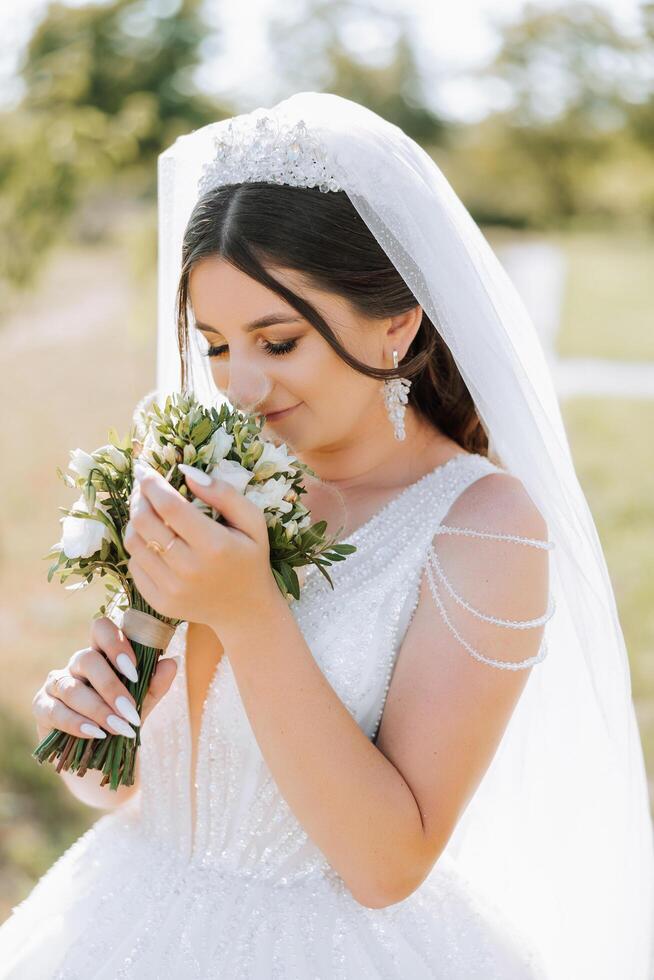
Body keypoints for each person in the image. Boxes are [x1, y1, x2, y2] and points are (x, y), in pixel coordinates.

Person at [0, 92, 652, 979]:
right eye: (216, 344)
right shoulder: (216, 475)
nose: (239, 386)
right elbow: (139, 786)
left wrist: (250, 614)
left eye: (278, 341)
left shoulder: (483, 529)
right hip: (122, 919)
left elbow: (389, 865)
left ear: (397, 323)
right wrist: (94, 734)